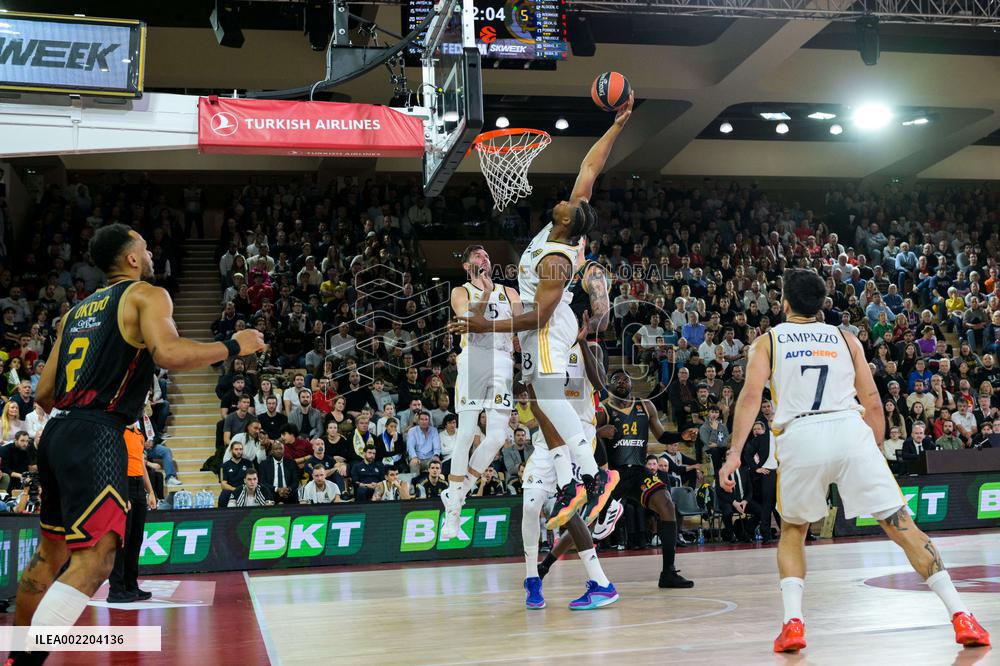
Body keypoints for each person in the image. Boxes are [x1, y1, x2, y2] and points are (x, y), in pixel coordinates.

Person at [11, 224, 263, 665]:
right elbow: (167, 353)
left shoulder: (76, 312)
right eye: (145, 249)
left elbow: (46, 391)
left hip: (57, 434)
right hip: (98, 433)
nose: (149, 255)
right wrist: (232, 345)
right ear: (130, 259)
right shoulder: (146, 294)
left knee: (49, 557)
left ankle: (16, 655)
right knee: (97, 561)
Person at [719, 268, 989, 654]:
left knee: (794, 530)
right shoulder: (846, 339)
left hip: (800, 435)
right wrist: (873, 451)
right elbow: (874, 401)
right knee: (901, 526)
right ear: (822, 305)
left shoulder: (769, 341)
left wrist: (733, 454)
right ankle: (962, 615)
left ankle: (793, 624)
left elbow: (748, 399)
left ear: (785, 302)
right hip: (850, 431)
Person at [451, 96, 634, 530]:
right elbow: (590, 169)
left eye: (570, 205)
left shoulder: (558, 258)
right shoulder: (561, 224)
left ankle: (595, 475)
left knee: (551, 398)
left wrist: (483, 323)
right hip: (540, 331)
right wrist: (618, 125)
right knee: (543, 403)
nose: (566, 200)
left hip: (548, 327)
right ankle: (572, 483)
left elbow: (536, 316)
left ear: (569, 223)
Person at [440, 245, 522, 538]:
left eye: (486, 255)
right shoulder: (460, 292)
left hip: (501, 361)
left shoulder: (510, 292)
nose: (484, 258)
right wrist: (485, 295)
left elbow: (521, 326)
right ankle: (453, 514)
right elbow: (467, 324)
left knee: (498, 437)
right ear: (466, 266)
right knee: (465, 435)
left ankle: (458, 494)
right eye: (477, 256)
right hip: (474, 358)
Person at [599, 370, 693, 588]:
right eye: (616, 379)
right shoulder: (603, 409)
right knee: (595, 524)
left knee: (667, 505)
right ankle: (554, 566)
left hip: (639, 472)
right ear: (609, 386)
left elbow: (661, 436)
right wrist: (597, 433)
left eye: (626, 379)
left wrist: (681, 435)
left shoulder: (646, 406)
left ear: (632, 384)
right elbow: (585, 439)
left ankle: (668, 572)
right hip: (614, 474)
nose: (621, 382)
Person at [521, 429, 618, 611]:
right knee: (530, 507)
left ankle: (600, 582)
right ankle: (532, 579)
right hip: (546, 445)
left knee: (570, 511)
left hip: (575, 444)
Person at [107, 424, 157, 603]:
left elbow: (141, 464)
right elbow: (112, 463)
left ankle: (131, 586)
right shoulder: (117, 432)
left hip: (138, 488)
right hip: (123, 485)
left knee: (136, 540)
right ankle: (116, 589)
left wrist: (150, 491)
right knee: (122, 540)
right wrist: (121, 493)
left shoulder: (138, 434)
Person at [259, 440, 300, 504]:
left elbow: (296, 481)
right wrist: (277, 489)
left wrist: (288, 489)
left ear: (284, 450)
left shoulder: (291, 463)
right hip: (271, 493)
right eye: (276, 449)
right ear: (271, 451)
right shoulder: (264, 464)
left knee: (295, 495)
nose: (279, 451)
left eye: (281, 448)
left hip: (288, 493)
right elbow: (262, 482)